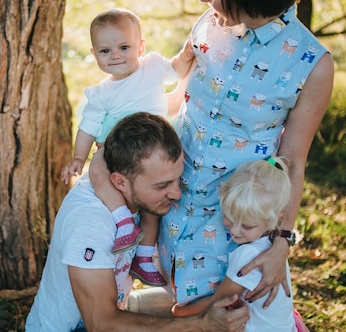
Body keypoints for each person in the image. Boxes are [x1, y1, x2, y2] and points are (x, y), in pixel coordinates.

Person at [156, 0, 334, 308]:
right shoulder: (209, 23)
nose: (204, 0)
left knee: (218, 314)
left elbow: (293, 163)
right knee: (174, 302)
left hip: (231, 222)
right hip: (171, 197)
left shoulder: (312, 64)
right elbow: (179, 100)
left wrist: (281, 244)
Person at [26, 112, 249, 332]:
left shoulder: (128, 183)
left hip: (116, 308)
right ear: (120, 181)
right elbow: (101, 324)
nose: (176, 194)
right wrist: (200, 325)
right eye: (162, 186)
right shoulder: (90, 222)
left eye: (177, 180)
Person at [61, 8, 195, 286]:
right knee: (98, 170)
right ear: (94, 53)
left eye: (124, 47)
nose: (116, 56)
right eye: (105, 51)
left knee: (151, 202)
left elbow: (178, 69)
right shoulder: (101, 93)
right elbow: (87, 127)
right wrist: (78, 157)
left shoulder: (153, 67)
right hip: (114, 150)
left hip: (152, 147)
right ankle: (121, 219)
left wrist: (187, 53)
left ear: (141, 47)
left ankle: (144, 257)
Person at [172, 157, 309, 332]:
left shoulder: (248, 256)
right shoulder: (270, 246)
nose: (235, 231)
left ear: (273, 220)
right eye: (230, 217)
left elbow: (220, 300)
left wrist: (180, 312)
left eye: (247, 225)